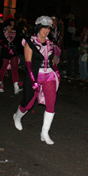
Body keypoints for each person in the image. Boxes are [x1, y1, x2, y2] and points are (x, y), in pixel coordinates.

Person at [12, 16, 60, 145]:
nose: (47, 30)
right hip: (34, 75)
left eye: (48, 28)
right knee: (28, 103)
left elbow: (52, 60)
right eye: (44, 27)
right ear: (38, 28)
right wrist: (33, 80)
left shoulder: (50, 42)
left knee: (51, 103)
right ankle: (17, 117)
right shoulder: (30, 42)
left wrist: (56, 72)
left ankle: (44, 132)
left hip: (49, 76)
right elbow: (28, 63)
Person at [0, 17, 22, 94]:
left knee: (14, 68)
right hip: (5, 52)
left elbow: (18, 42)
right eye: (12, 22)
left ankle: (16, 86)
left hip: (13, 52)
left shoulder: (16, 31)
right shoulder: (3, 31)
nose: (13, 24)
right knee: (3, 68)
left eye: (14, 22)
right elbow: (0, 40)